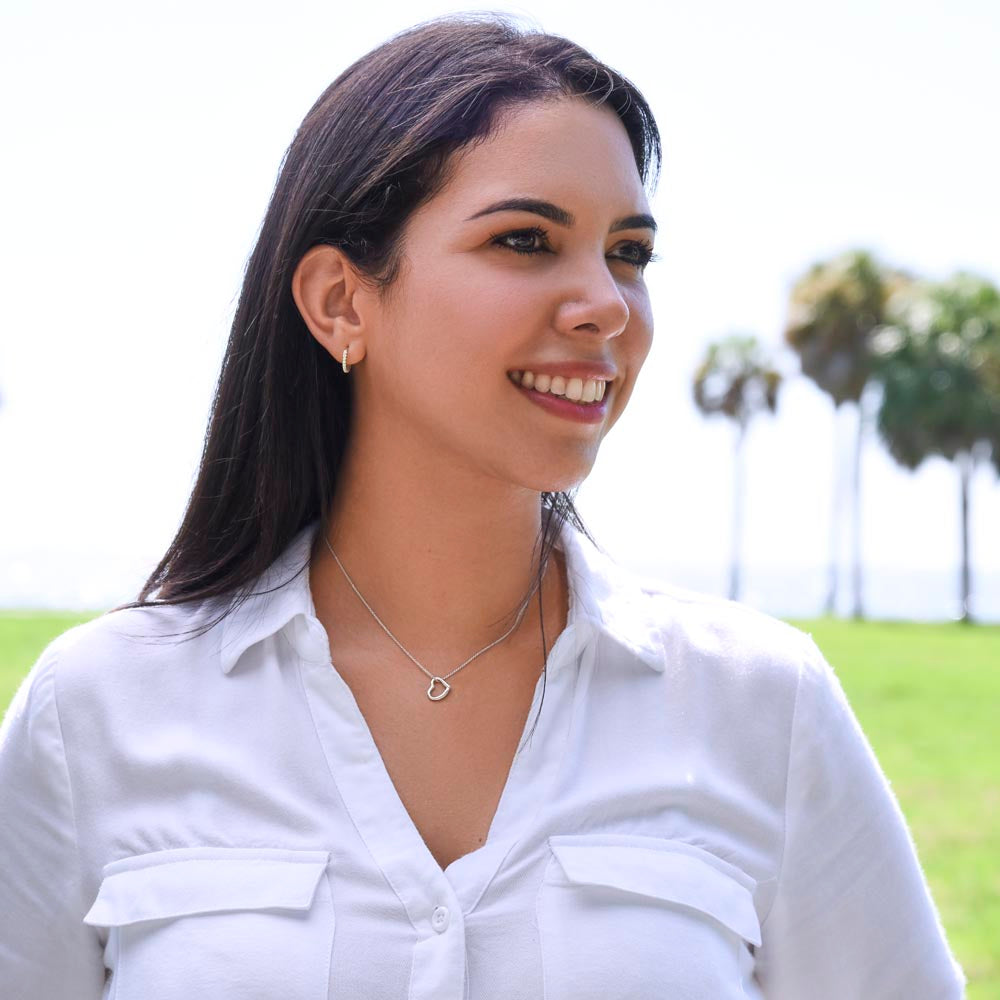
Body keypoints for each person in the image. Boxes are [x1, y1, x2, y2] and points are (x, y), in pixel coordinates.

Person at [0, 12, 967, 1000]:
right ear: (340, 300)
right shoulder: (96, 714)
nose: (604, 303)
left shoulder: (760, 706)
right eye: (524, 240)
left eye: (627, 252)